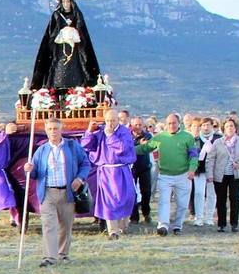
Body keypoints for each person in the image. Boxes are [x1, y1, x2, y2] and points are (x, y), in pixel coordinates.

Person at [25, 118, 92, 265]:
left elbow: (86, 163)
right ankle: (50, 257)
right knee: (49, 224)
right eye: (50, 129)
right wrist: (29, 170)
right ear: (46, 131)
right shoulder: (41, 150)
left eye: (56, 128)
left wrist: (80, 179)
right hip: (48, 193)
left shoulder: (72, 146)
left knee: (65, 225)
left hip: (67, 192)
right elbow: (34, 173)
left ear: (61, 129)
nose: (53, 132)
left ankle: (63, 255)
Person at [135, 114, 198, 236]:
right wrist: (126, 150)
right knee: (164, 201)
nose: (172, 125)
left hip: (183, 175)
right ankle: (163, 225)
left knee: (182, 203)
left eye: (174, 123)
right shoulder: (159, 138)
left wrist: (192, 169)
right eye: (169, 123)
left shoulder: (188, 137)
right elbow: (145, 148)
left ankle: (177, 225)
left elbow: (193, 155)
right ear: (166, 124)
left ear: (179, 123)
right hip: (165, 175)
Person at [30, 0, 100, 91]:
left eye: (68, 1)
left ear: (71, 2)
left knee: (76, 69)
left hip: (75, 50)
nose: (66, 4)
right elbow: (50, 33)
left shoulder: (77, 14)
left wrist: (75, 32)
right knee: (59, 70)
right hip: (59, 50)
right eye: (63, 2)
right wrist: (61, 34)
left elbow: (83, 32)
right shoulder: (57, 15)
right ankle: (56, 87)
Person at [80, 109, 136, 239]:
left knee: (126, 198)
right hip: (105, 171)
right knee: (108, 200)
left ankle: (123, 226)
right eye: (108, 120)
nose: (110, 123)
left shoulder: (124, 132)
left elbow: (122, 149)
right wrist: (89, 131)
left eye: (113, 120)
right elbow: (87, 146)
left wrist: (111, 136)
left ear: (118, 120)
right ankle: (113, 231)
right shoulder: (100, 131)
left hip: (121, 170)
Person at [210, 118, 239, 232]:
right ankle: (221, 224)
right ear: (223, 129)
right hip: (220, 174)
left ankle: (234, 223)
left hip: (235, 175)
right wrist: (210, 174)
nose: (230, 128)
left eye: (231, 126)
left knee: (234, 198)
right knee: (221, 199)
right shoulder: (218, 142)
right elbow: (211, 159)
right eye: (227, 126)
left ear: (235, 128)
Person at [193, 118, 220, 227]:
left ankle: (209, 217)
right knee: (199, 193)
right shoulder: (195, 140)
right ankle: (198, 217)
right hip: (199, 170)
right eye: (203, 125)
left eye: (208, 125)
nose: (206, 127)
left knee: (212, 194)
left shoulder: (218, 139)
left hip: (213, 170)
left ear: (212, 126)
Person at [130, 118, 153, 224]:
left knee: (146, 192)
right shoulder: (127, 136)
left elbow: (149, 147)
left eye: (140, 125)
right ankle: (134, 217)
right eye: (136, 125)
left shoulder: (148, 136)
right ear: (132, 125)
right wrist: (139, 145)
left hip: (145, 167)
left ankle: (146, 213)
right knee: (132, 193)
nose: (138, 127)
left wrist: (138, 146)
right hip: (131, 168)